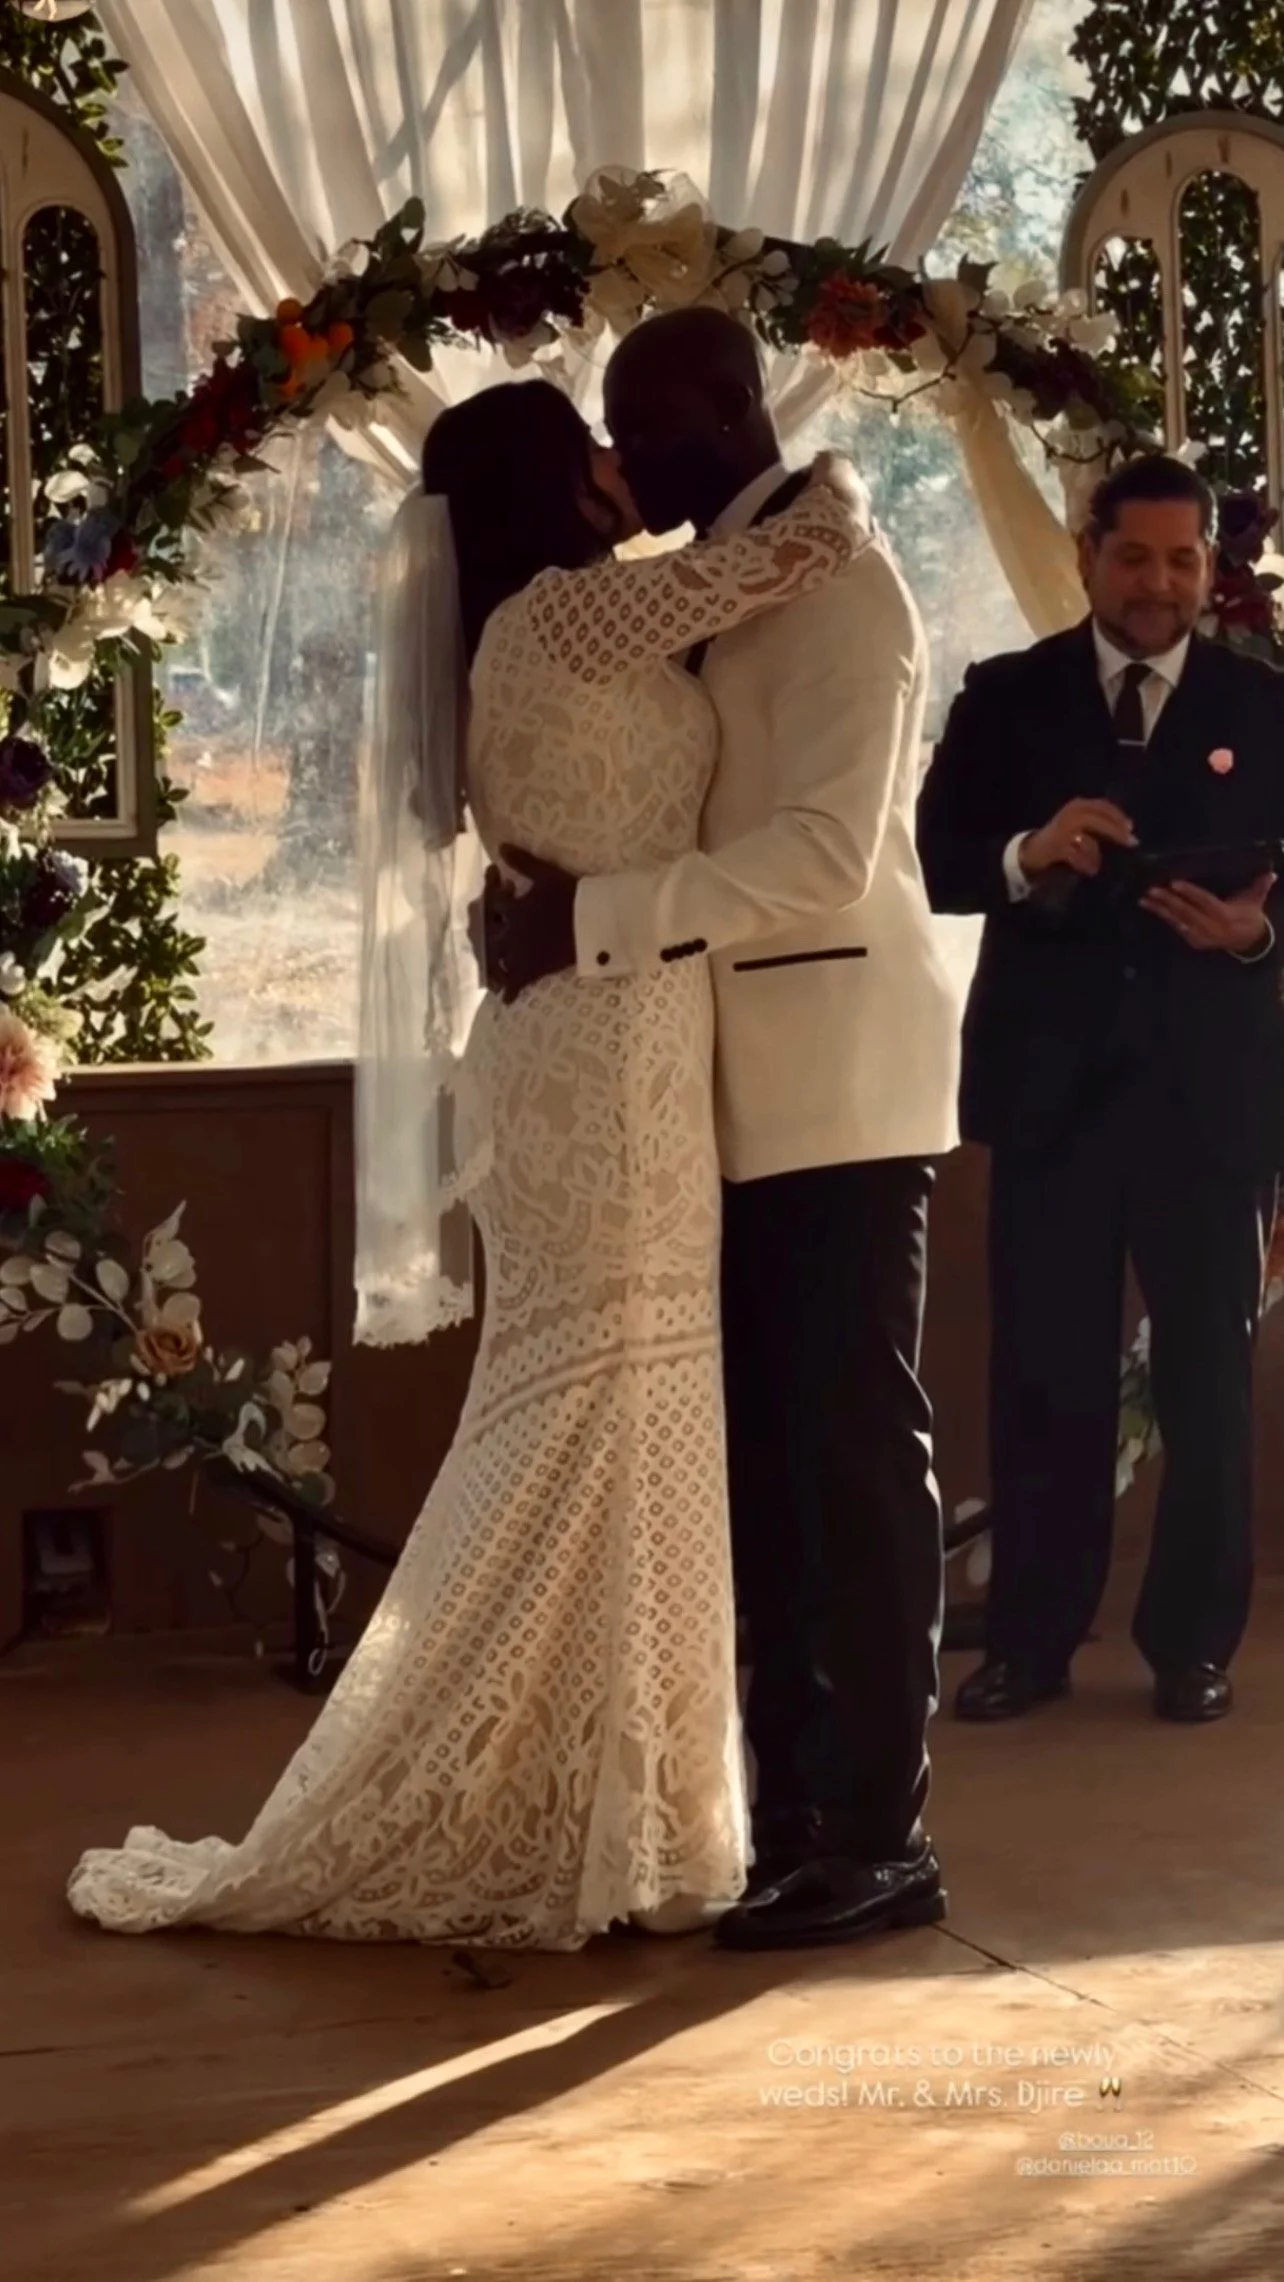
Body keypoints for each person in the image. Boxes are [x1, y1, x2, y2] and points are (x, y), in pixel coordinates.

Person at [65, 382, 864, 1951]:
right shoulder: (565, 622)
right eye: (597, 449)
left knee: (598, 1409)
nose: (624, 469)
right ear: (551, 491)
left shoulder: (527, 633)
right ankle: (529, 1789)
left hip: (584, 1046)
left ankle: (604, 1804)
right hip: (609, 1060)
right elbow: (804, 545)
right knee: (604, 1410)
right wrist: (814, 453)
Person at [485, 308, 960, 1953]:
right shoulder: (732, 569)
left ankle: (880, 1831)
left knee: (847, 1456)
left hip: (833, 1074)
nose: (624, 453)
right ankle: (791, 1817)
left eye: (646, 413)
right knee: (769, 1469)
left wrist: (595, 918)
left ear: (730, 405)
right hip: (713, 1098)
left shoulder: (837, 578)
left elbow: (826, 853)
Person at [917, 452, 1284, 1727]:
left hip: (1210, 1098)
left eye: (1185, 561)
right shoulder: (1006, 698)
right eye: (1136, 557)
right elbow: (936, 863)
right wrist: (1030, 852)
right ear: (1088, 555)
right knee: (1044, 1374)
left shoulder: (1263, 701)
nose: (1160, 584)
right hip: (1051, 1094)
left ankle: (1193, 1644)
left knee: (1209, 1383)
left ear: (1209, 569)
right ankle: (1030, 1638)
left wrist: (1252, 937)